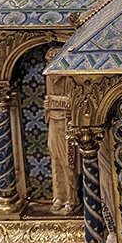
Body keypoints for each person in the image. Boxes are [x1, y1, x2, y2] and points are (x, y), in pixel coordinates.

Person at [43, 47, 80, 214]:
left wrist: (53, 101)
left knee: (68, 162)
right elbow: (49, 101)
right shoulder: (49, 78)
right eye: (47, 62)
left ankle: (72, 199)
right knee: (56, 161)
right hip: (53, 122)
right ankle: (59, 197)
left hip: (67, 124)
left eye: (52, 62)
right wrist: (48, 104)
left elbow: (74, 102)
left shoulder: (69, 78)